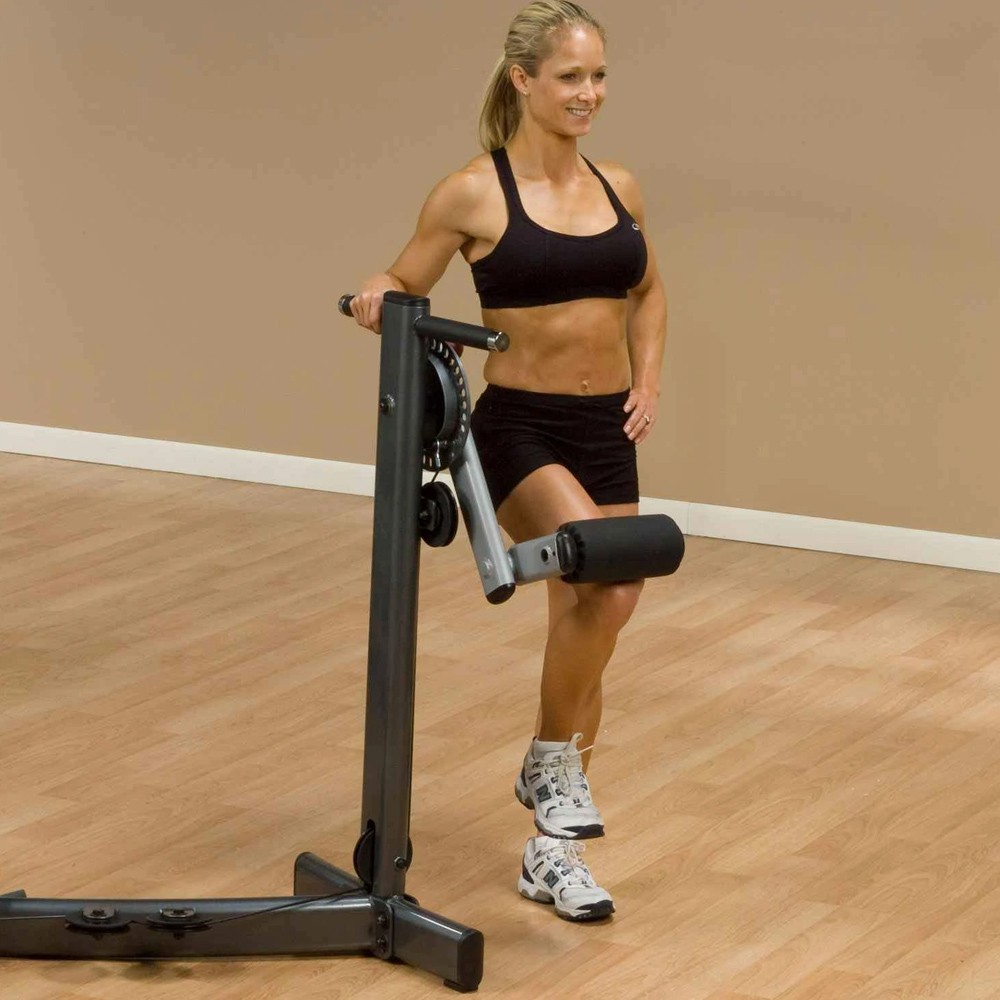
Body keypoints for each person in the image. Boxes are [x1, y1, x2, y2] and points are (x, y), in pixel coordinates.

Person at [348, 0, 667, 922]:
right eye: (570, 77)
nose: (589, 93)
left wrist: (647, 379)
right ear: (523, 80)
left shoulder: (620, 186)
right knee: (608, 584)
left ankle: (552, 854)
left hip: (605, 429)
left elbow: (649, 290)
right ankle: (550, 763)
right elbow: (404, 277)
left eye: (598, 75)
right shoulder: (473, 193)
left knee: (590, 622)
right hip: (520, 424)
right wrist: (377, 292)